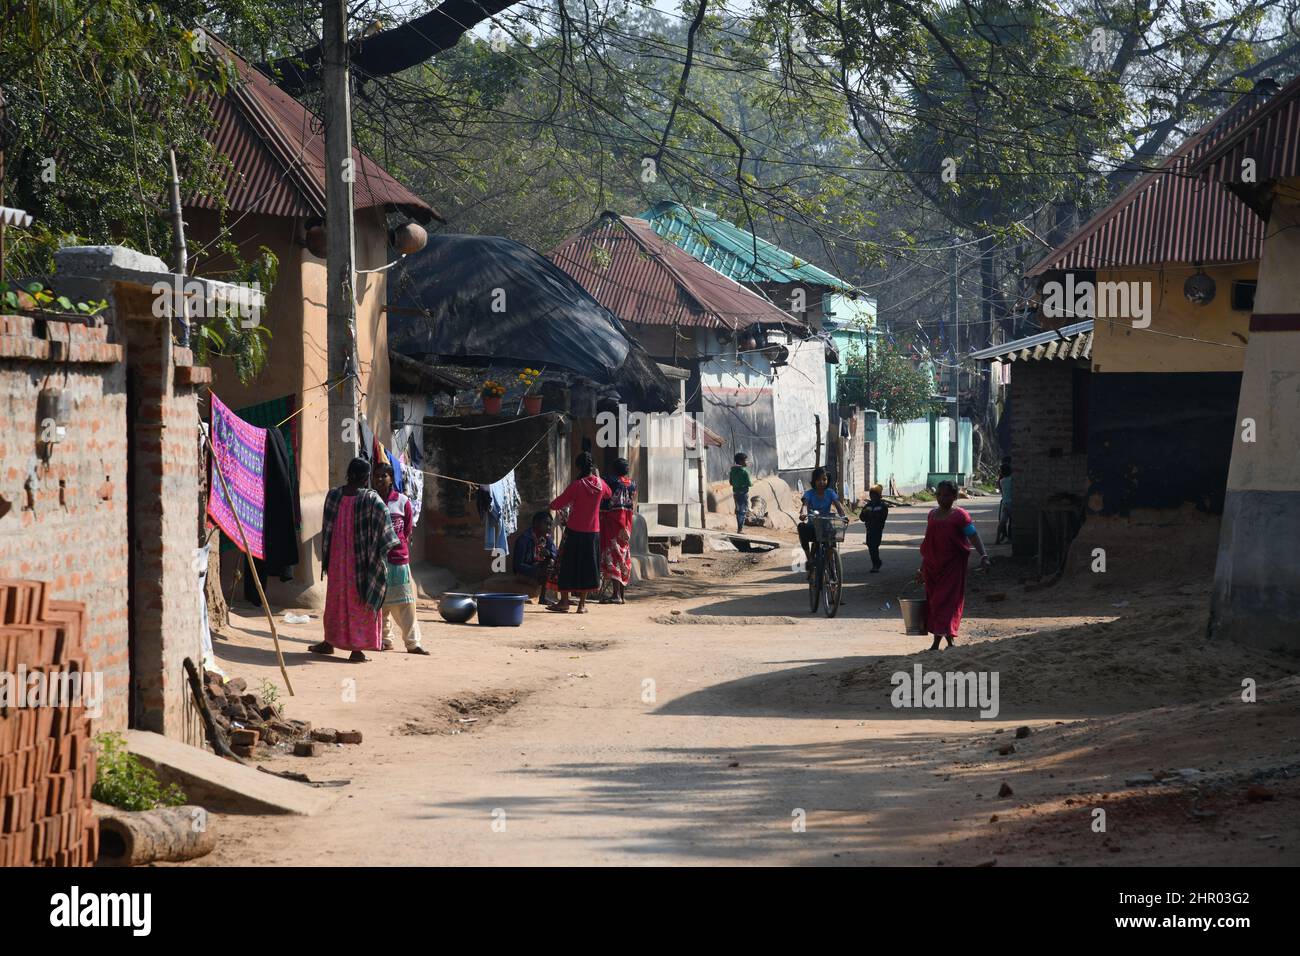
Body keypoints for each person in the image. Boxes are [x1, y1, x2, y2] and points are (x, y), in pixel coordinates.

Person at [310, 457, 399, 663]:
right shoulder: (371, 499)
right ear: (366, 477)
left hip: (337, 560)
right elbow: (386, 527)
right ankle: (356, 649)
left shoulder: (333, 495)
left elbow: (327, 528)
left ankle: (329, 641)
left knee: (335, 599)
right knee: (361, 600)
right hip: (362, 562)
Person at [914, 480, 991, 650]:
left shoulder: (960, 516)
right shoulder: (932, 515)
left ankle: (937, 642)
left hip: (953, 567)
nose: (942, 498)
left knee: (948, 602)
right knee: (934, 602)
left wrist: (983, 555)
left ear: (954, 496)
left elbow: (973, 536)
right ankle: (948, 641)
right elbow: (929, 544)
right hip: (933, 567)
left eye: (946, 495)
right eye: (939, 495)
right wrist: (922, 568)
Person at [372, 461, 428, 655]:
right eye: (376, 475)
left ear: (391, 478)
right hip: (377, 559)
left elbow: (406, 530)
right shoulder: (370, 500)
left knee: (406, 603)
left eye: (383, 476)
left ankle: (413, 643)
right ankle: (385, 640)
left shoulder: (402, 501)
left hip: (398, 558)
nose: (379, 479)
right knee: (380, 603)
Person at [547, 452, 612, 613]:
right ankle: (582, 606)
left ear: (578, 467)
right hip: (593, 534)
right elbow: (609, 493)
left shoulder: (577, 485)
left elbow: (555, 505)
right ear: (593, 467)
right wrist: (598, 476)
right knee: (588, 568)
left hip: (574, 532)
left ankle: (564, 602)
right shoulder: (601, 485)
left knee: (566, 566)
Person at [599, 458, 637, 604]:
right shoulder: (632, 484)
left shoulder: (612, 481)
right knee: (623, 557)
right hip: (626, 526)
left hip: (613, 524)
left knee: (613, 557)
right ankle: (622, 595)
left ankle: (616, 595)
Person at [797, 466, 847, 578]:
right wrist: (803, 513)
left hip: (826, 526)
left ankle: (829, 563)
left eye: (824, 479)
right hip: (813, 527)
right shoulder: (809, 493)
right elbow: (804, 505)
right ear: (814, 481)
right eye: (819, 480)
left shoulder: (830, 493)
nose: (822, 482)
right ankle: (809, 558)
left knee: (833, 538)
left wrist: (844, 516)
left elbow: (839, 507)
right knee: (801, 527)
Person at [512, 510, 558, 605]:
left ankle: (564, 598)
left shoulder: (547, 538)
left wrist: (549, 553)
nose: (549, 528)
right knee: (546, 566)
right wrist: (536, 569)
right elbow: (517, 566)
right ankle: (543, 597)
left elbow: (555, 555)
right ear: (536, 523)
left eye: (550, 525)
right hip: (525, 573)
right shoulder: (524, 539)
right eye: (546, 524)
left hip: (540, 570)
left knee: (554, 563)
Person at [863, 483, 890, 572]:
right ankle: (877, 562)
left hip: (877, 529)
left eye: (875, 495)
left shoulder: (882, 506)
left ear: (879, 496)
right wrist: (866, 514)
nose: (873, 497)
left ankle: (875, 565)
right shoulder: (868, 505)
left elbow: (883, 517)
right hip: (869, 529)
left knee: (874, 546)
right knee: (870, 545)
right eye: (871, 495)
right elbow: (861, 517)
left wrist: (873, 516)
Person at [729, 452, 752, 534]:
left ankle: (739, 528)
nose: (747, 462)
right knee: (743, 510)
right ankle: (740, 529)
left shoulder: (732, 471)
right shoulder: (744, 472)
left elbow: (731, 482)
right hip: (743, 493)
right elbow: (749, 483)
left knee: (738, 510)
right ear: (741, 461)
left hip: (735, 493)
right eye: (746, 460)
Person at [995, 460, 1013, 545]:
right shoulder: (1012, 480)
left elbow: (1002, 492)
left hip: (1004, 503)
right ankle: (1010, 538)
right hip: (1012, 503)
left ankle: (998, 539)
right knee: (1012, 522)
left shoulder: (1001, 481)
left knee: (1002, 522)